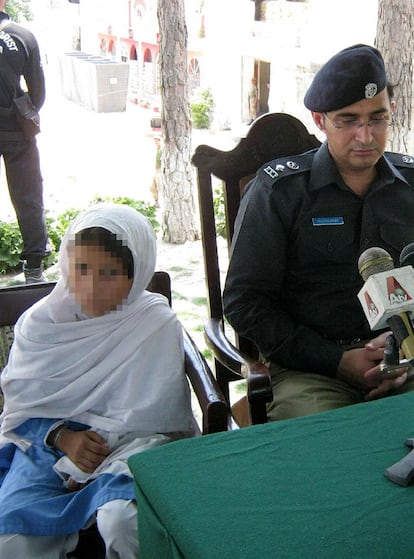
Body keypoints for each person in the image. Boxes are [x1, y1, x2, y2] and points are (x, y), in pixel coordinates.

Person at [223, 44, 414, 422]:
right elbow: (245, 301)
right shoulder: (280, 191)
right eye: (348, 120)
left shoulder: (410, 186)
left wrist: (400, 350)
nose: (365, 136)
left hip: (404, 358)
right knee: (325, 452)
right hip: (310, 370)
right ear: (319, 119)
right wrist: (337, 361)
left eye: (378, 118)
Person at [0, 203, 195, 558]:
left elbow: (155, 418)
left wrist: (89, 460)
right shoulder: (41, 325)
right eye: (81, 268)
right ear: (65, 265)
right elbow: (22, 410)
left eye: (109, 273)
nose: (91, 286)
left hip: (129, 447)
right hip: (48, 445)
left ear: (136, 275)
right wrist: (65, 438)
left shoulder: (154, 323)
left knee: (122, 521)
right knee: (11, 537)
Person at [0, 0, 49, 283]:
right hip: (16, 132)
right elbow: (38, 93)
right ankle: (33, 270)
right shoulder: (22, 36)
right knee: (28, 197)